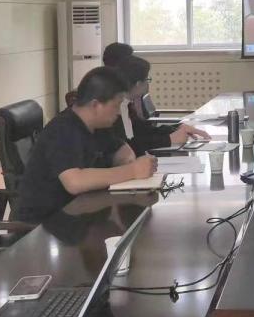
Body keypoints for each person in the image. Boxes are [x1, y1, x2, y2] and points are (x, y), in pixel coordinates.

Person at [14, 66, 156, 221]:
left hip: (79, 213)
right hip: (44, 224)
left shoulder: (98, 125)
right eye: (116, 105)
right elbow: (75, 181)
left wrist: (127, 165)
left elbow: (123, 150)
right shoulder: (63, 129)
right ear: (95, 105)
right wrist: (132, 171)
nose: (118, 112)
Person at [107, 55, 209, 155]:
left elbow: (144, 132)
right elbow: (127, 147)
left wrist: (177, 127)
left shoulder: (128, 104)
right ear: (138, 84)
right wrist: (168, 140)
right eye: (147, 80)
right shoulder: (115, 110)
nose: (148, 84)